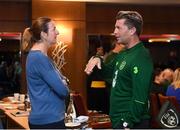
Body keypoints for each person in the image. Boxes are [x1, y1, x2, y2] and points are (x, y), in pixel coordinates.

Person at [85, 11, 153, 129]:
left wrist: (126, 122)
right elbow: (107, 72)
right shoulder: (123, 53)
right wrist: (98, 59)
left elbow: (140, 98)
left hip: (131, 123)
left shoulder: (141, 56)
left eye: (118, 28)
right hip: (118, 120)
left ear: (132, 31)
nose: (115, 31)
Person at [24, 17, 69, 129]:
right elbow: (63, 90)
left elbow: (64, 82)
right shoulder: (39, 58)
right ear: (44, 34)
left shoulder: (41, 57)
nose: (57, 32)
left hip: (46, 120)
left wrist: (63, 81)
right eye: (54, 29)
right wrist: (63, 82)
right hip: (48, 122)